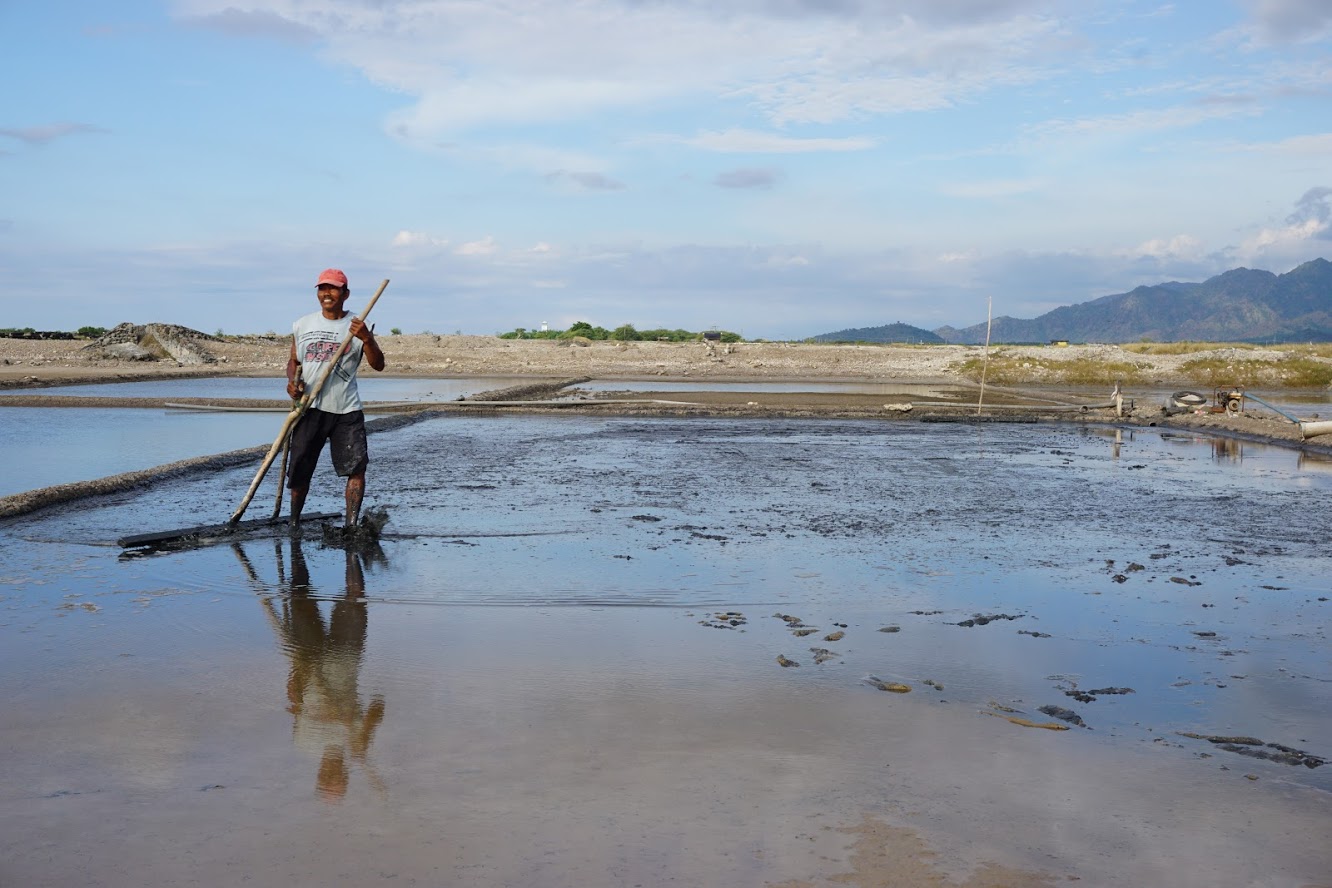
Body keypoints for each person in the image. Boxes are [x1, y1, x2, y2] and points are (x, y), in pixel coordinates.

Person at [286, 268, 386, 528]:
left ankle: (351, 526)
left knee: (356, 468)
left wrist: (367, 339)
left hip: (346, 410)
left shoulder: (357, 325)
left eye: (332, 288)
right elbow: (294, 360)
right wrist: (292, 382)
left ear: (345, 293)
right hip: (309, 408)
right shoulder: (302, 325)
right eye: (322, 288)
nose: (326, 293)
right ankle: (294, 522)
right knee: (299, 469)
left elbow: (378, 365)